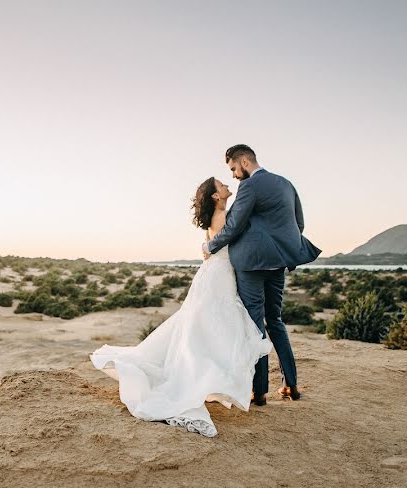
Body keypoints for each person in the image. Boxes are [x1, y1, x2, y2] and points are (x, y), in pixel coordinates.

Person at [90, 177, 273, 437]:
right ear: (215, 196)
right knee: (214, 325)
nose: (226, 186)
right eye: (222, 185)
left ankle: (209, 378)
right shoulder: (222, 217)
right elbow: (233, 243)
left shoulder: (222, 214)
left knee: (205, 325)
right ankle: (203, 379)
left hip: (214, 274)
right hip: (220, 275)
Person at [203, 144, 321, 404]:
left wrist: (209, 246)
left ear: (244, 161)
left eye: (234, 168)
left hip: (252, 264)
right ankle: (291, 385)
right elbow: (298, 223)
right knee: (275, 321)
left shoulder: (250, 186)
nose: (234, 175)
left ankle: (259, 391)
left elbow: (234, 225)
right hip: (278, 264)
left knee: (255, 325)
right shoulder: (287, 184)